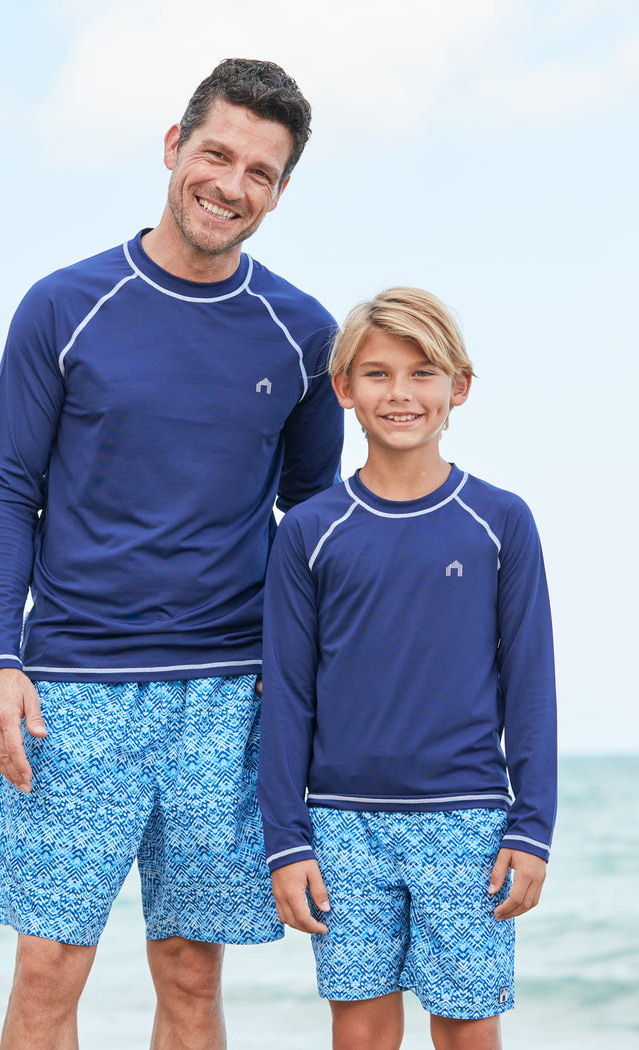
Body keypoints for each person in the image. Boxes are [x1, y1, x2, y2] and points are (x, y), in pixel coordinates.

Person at [0, 58, 343, 1050]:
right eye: (217, 153)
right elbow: (7, 486)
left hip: (228, 694)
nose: (232, 184)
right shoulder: (63, 307)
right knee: (49, 962)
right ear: (175, 148)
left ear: (281, 190)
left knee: (188, 969)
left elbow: (310, 521)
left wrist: (300, 677)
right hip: (73, 686)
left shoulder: (302, 336)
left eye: (261, 171)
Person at [257, 287, 557, 1050]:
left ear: (458, 388)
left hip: (467, 821)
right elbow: (288, 696)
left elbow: (529, 685)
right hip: (340, 824)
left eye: (424, 373)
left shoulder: (501, 521)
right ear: (345, 389)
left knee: (466, 1030)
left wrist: (533, 826)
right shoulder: (311, 532)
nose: (401, 393)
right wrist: (287, 839)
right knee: (359, 1032)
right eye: (378, 373)